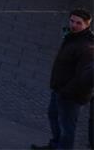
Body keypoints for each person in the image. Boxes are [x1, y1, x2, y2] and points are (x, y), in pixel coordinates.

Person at [32, 9, 93, 150]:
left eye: (79, 23)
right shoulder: (72, 36)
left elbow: (83, 77)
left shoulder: (87, 48)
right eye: (72, 21)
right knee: (53, 117)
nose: (74, 25)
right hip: (60, 89)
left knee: (67, 128)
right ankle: (55, 145)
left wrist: (66, 91)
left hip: (70, 96)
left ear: (87, 25)